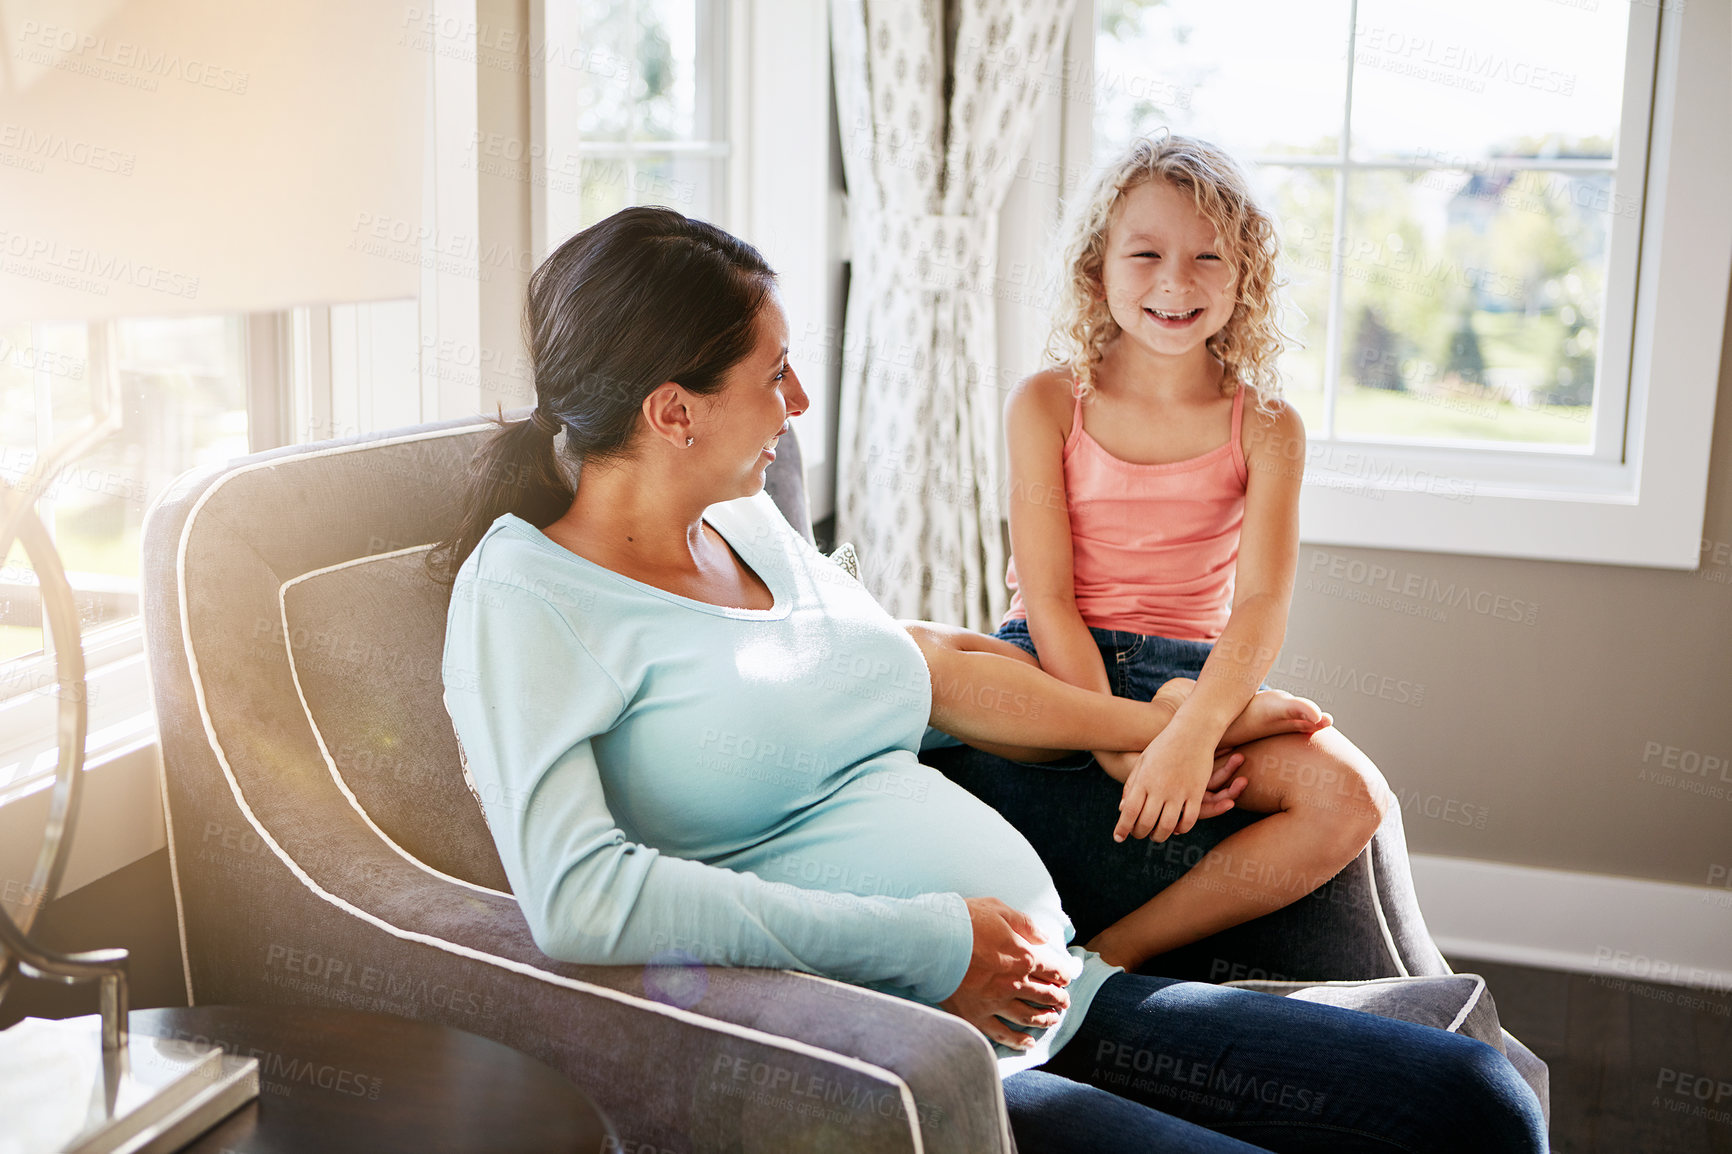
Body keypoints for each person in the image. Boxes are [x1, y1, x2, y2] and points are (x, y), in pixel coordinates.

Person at [435, 205, 1546, 1151]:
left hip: (1060, 988)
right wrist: (935, 942)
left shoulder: (746, 530)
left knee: (1475, 1100)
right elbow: (580, 900)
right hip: (914, 1041)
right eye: (775, 375)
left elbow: (928, 668)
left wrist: (1161, 727)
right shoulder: (528, 599)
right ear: (672, 411)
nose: (801, 405)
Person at [918, 133, 1392, 976]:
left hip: (1191, 669)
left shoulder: (1269, 425)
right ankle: (1161, 714)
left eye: (1209, 256)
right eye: (1146, 254)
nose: (1176, 282)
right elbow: (1051, 600)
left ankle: (1109, 956)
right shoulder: (1047, 402)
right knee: (922, 659)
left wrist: (1199, 726)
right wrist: (1118, 744)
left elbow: (1261, 605)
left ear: (1245, 275)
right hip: (1053, 663)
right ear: (1097, 268)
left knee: (1352, 799)